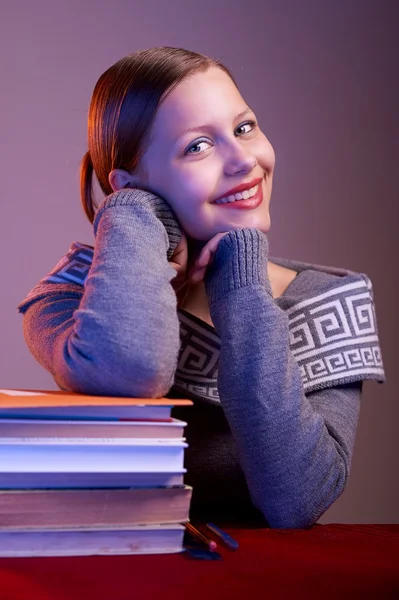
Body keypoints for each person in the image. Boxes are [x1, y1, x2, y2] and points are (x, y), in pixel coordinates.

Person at [18, 47, 386, 528]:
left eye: (244, 128)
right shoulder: (71, 298)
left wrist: (241, 283)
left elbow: (297, 497)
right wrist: (132, 216)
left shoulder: (326, 299)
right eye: (198, 146)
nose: (243, 161)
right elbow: (130, 368)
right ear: (131, 185)